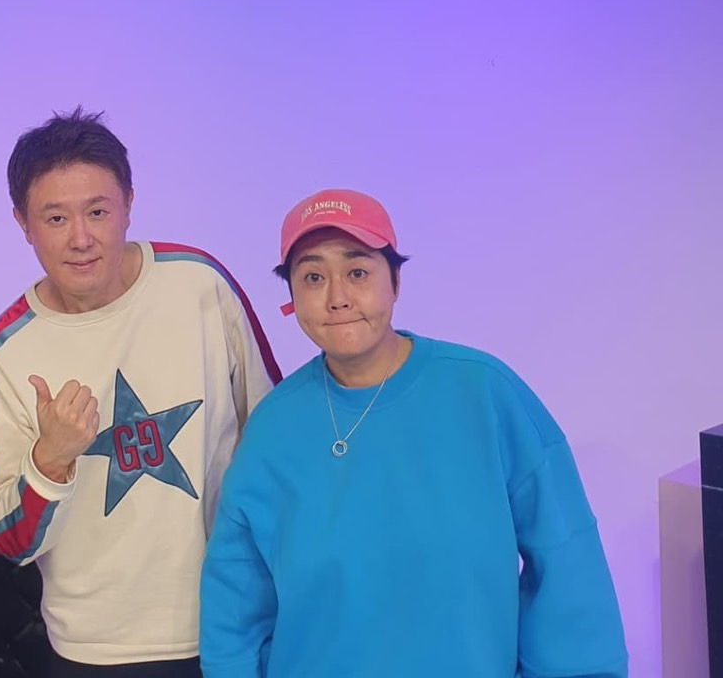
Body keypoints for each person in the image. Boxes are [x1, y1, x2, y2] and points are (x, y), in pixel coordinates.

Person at [199, 187, 628, 678]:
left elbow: (566, 559)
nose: (338, 298)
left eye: (357, 272)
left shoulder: (484, 394)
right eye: (313, 277)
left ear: (395, 282)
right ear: (292, 298)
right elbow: (234, 603)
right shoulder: (273, 428)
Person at [0, 108, 281, 677]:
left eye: (98, 211)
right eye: (56, 218)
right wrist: (50, 459)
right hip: (94, 649)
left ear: (129, 204)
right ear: (23, 223)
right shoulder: (5, 351)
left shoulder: (199, 284)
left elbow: (276, 438)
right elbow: (10, 543)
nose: (81, 238)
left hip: (230, 626)